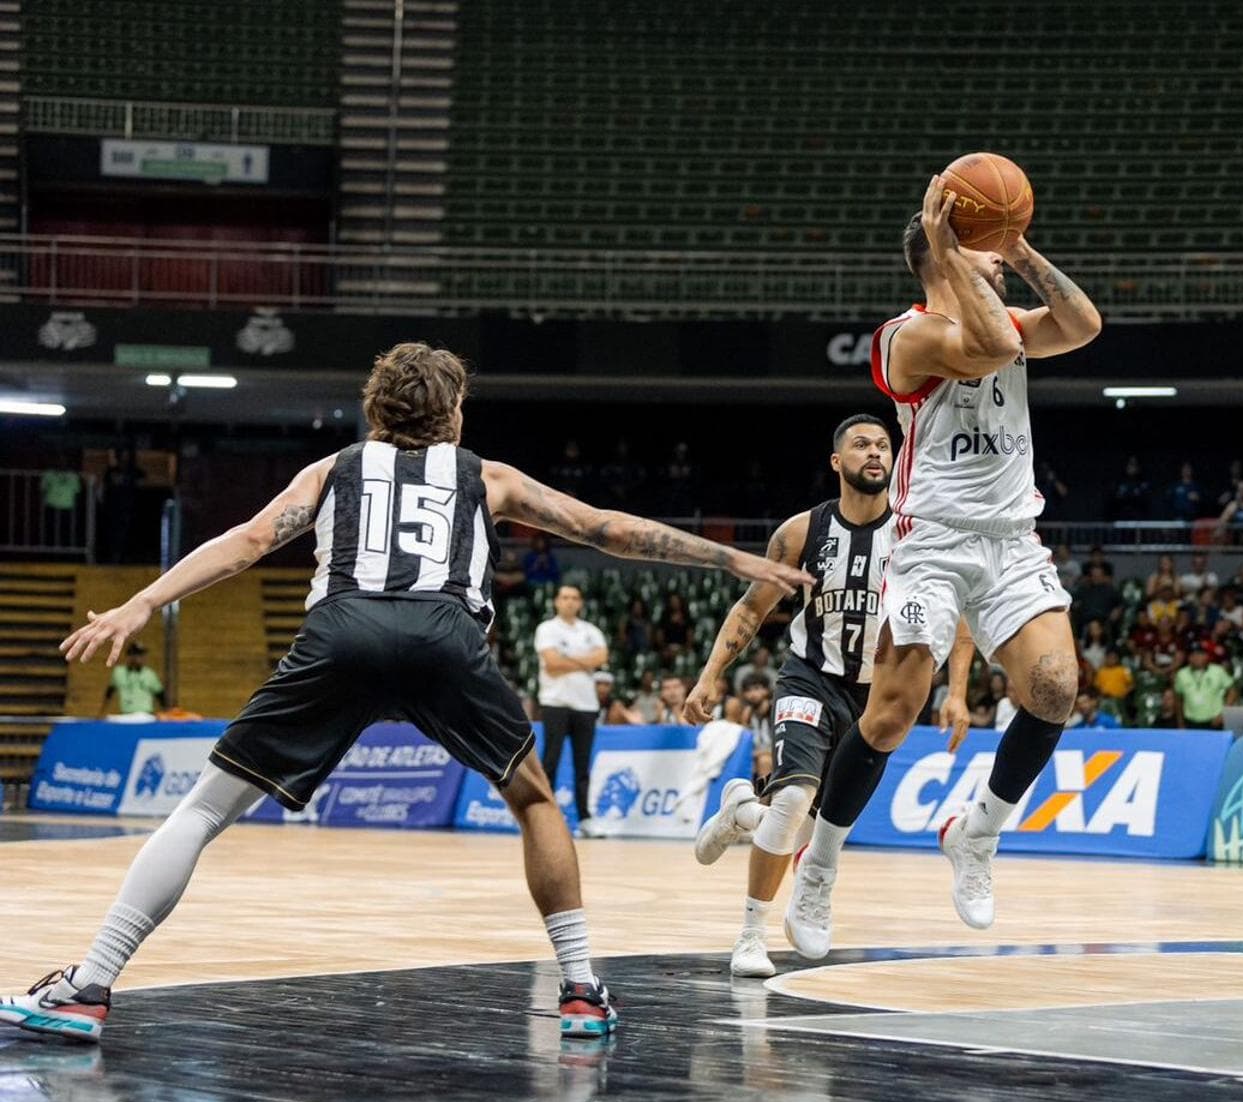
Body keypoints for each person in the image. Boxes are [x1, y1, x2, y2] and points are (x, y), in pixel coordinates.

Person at [1, 343, 809, 1045]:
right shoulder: (486, 476)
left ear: (374, 411)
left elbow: (247, 542)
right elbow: (607, 529)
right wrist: (733, 562)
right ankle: (581, 989)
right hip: (444, 637)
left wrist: (146, 600)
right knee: (534, 801)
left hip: (341, 632)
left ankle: (90, 985)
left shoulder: (333, 470)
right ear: (455, 412)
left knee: (204, 811)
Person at [809, 174, 1101, 933]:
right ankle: (821, 861)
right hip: (933, 542)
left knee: (1055, 689)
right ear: (941, 256)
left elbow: (1084, 324)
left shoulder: (1002, 311)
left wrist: (1024, 248)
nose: (999, 263)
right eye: (988, 251)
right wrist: (951, 248)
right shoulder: (905, 338)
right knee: (890, 717)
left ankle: (977, 833)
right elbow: (993, 345)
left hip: (1010, 540)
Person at [685, 415, 973, 976]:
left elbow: (958, 617)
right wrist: (710, 674)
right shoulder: (801, 532)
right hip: (810, 676)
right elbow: (752, 607)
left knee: (806, 825)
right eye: (862, 445)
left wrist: (957, 692)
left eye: (885, 446)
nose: (876, 453)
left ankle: (742, 810)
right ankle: (750, 936)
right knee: (794, 801)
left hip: (878, 698)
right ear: (837, 461)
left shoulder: (920, 534)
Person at [535, 584, 609, 835]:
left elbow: (601, 658)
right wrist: (584, 661)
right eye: (564, 597)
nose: (569, 602)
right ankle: (545, 817)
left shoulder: (591, 631)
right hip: (555, 702)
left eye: (574, 598)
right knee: (551, 761)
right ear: (556, 601)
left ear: (580, 603)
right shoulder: (546, 629)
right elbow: (552, 663)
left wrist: (567, 658)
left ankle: (585, 819)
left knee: (582, 765)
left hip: (586, 705)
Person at [1172, 647, 1236, 730]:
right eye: (1193, 655)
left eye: (1200, 654)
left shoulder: (1218, 671)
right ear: (1189, 658)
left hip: (1214, 721)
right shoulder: (1181, 674)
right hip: (1190, 722)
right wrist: (1180, 723)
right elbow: (1178, 699)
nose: (1196, 658)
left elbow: (1233, 691)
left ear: (1207, 657)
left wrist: (1223, 714)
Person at [101, 642, 166, 716]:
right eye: (138, 655)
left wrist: (166, 714)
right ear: (129, 656)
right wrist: (101, 714)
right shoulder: (119, 672)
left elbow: (161, 696)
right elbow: (109, 694)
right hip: (126, 714)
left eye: (142, 655)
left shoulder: (149, 674)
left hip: (145, 715)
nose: (141, 658)